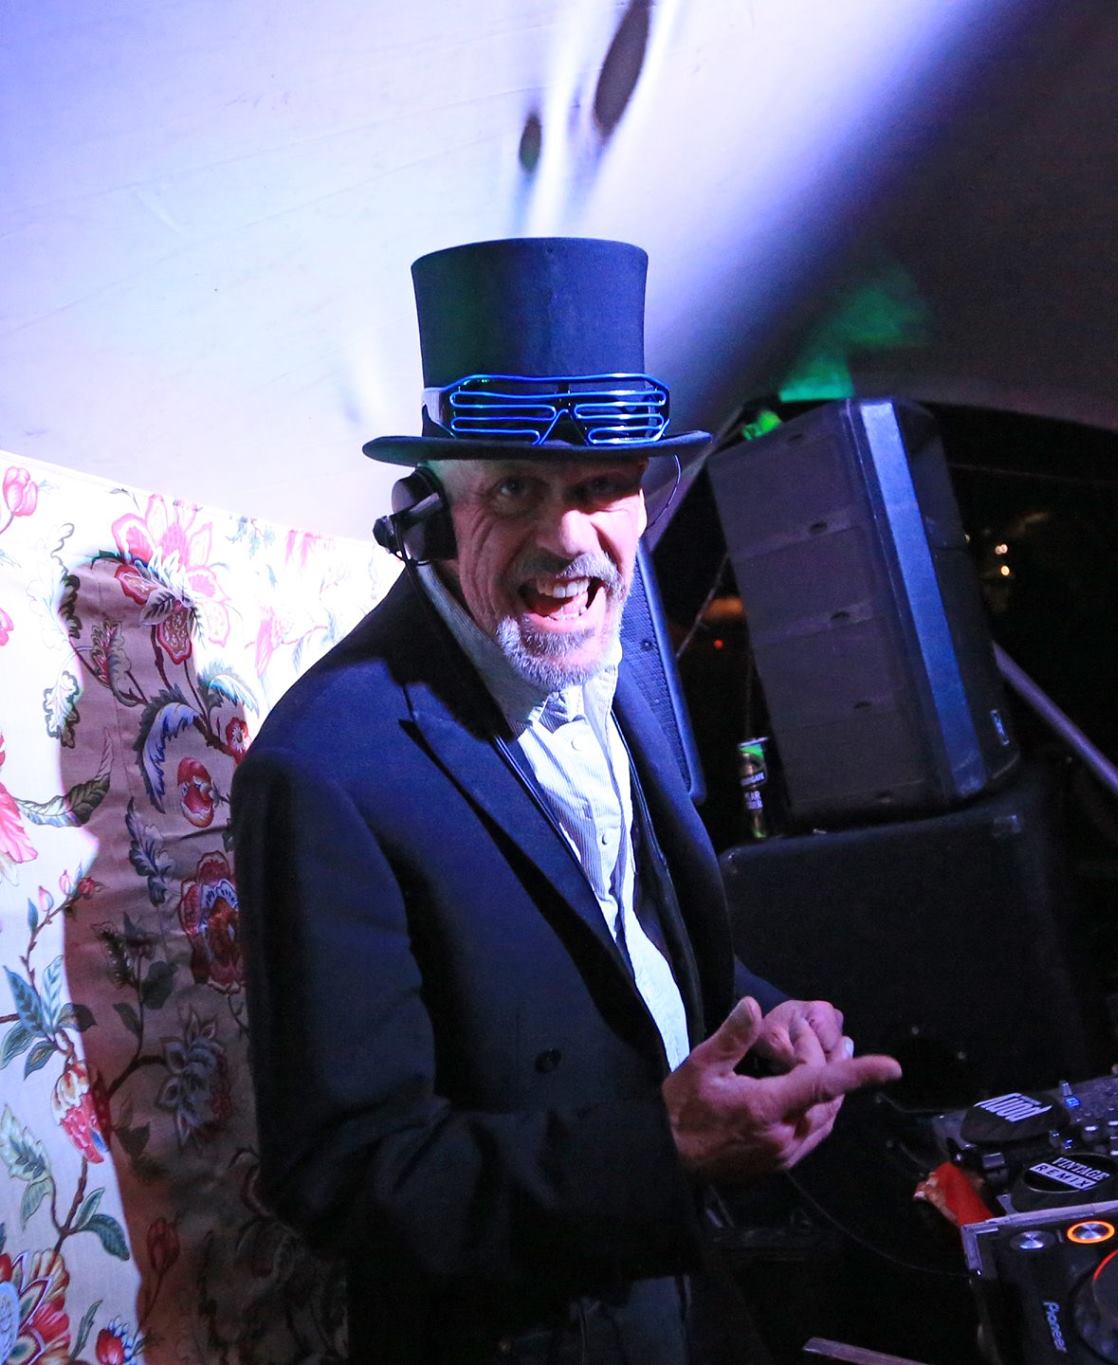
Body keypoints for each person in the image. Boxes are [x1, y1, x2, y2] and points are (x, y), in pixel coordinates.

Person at [234, 237, 901, 1363]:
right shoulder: (325, 769)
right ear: (431, 515)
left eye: (601, 487)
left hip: (688, 1297)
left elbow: (615, 950)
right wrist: (663, 1148)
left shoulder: (611, 663)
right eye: (513, 490)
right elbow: (344, 1174)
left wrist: (762, 1020)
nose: (565, 538)